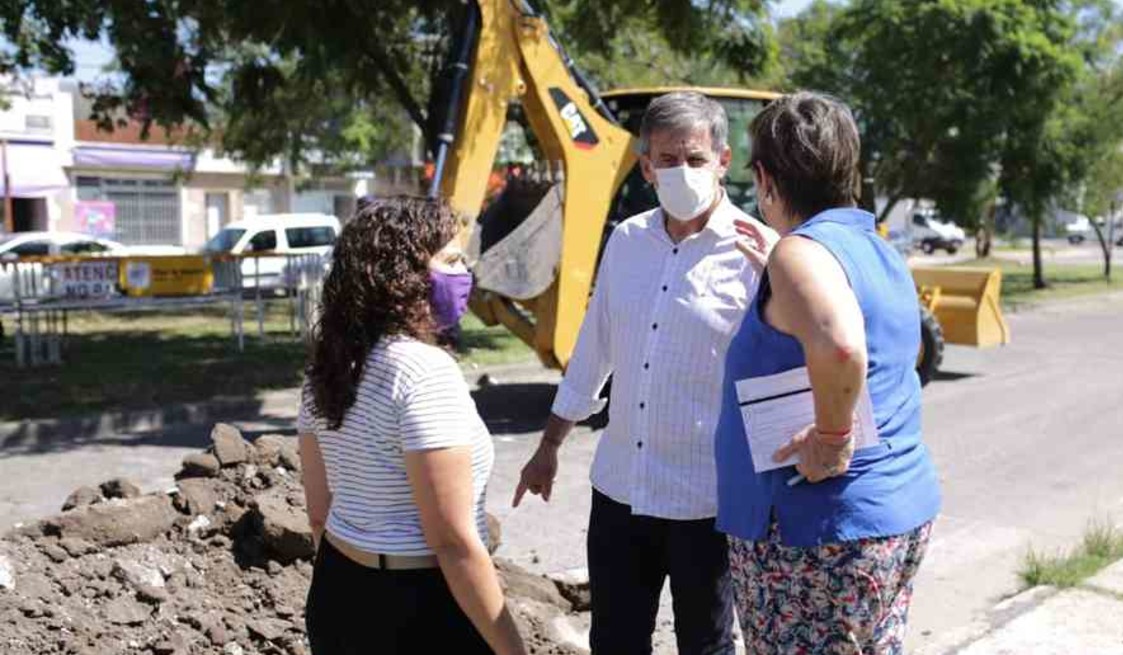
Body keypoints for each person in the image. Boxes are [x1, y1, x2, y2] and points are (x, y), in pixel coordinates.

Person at [512, 91, 776, 655]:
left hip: (706, 503)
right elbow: (594, 350)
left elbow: (783, 374)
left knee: (705, 645)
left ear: (723, 161)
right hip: (621, 491)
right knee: (615, 642)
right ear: (646, 167)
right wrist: (549, 445)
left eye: (696, 159)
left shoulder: (759, 254)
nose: (683, 172)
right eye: (668, 159)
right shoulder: (627, 241)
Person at [714, 92, 942, 654]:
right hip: (888, 515)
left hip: (816, 535)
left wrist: (833, 440)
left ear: (765, 179)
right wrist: (784, 271)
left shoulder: (800, 253)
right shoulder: (873, 249)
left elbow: (841, 347)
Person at [297, 197, 526, 655]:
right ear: (402, 275)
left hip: (337, 591)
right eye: (451, 260)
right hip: (420, 609)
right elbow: (452, 542)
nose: (464, 272)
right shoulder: (423, 372)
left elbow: (319, 513)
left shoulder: (328, 367)